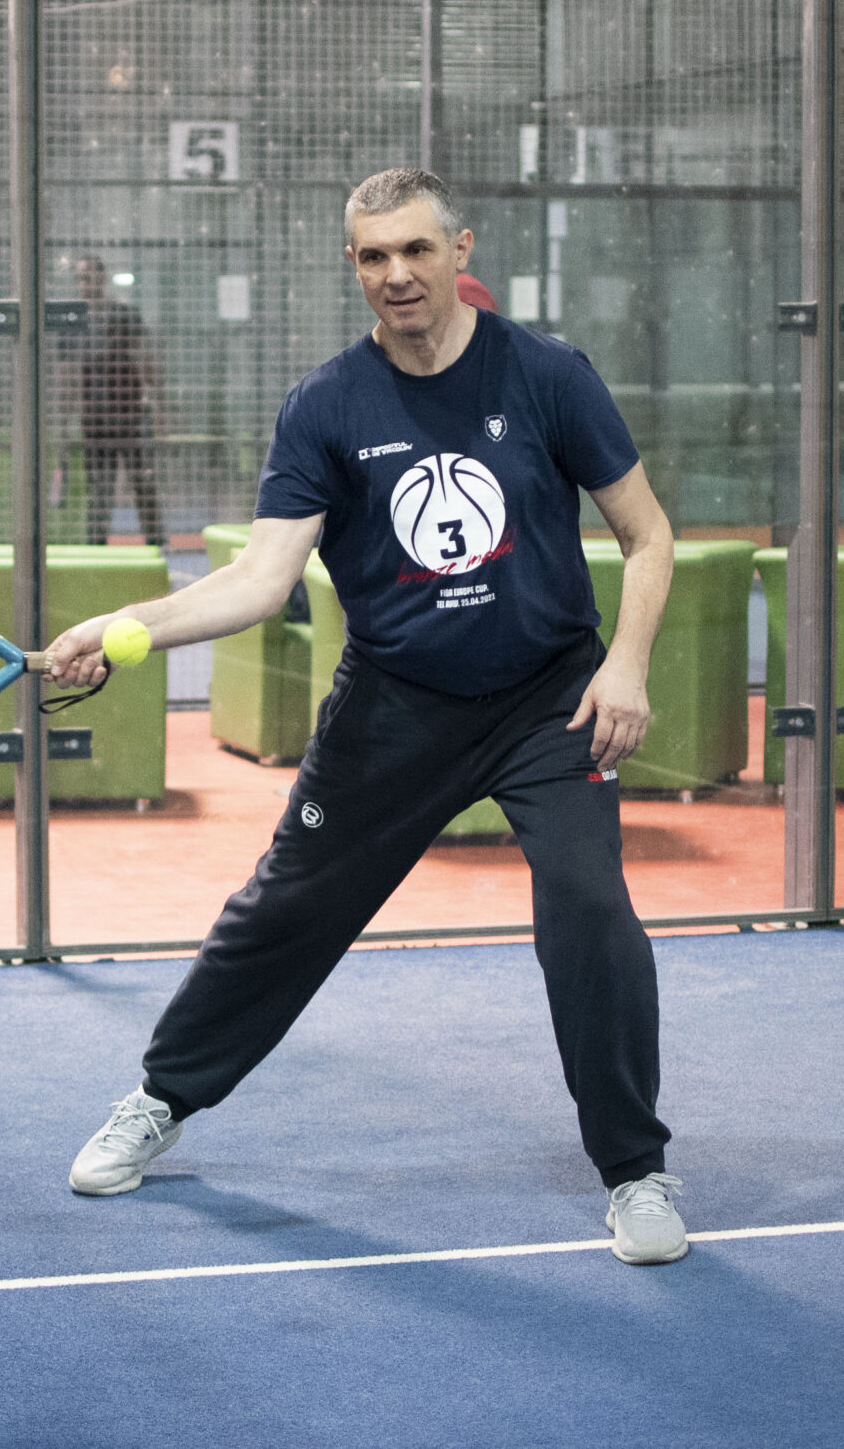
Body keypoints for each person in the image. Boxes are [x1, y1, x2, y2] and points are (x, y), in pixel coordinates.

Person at [43, 168, 689, 1265]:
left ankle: (635, 1170)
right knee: (286, 908)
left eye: (416, 250)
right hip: (395, 703)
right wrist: (126, 624)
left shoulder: (547, 374)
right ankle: (161, 1097)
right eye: (374, 256)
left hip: (547, 700)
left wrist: (624, 667)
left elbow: (648, 535)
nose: (397, 274)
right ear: (354, 266)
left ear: (458, 251)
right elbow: (260, 580)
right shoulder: (326, 405)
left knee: (591, 912)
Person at [74, 257, 164, 546]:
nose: (84, 284)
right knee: (99, 490)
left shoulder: (125, 315)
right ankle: (96, 548)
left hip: (130, 415)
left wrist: (161, 406)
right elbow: (67, 373)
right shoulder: (75, 321)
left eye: (89, 277)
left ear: (102, 277)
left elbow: (145, 359)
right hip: (95, 420)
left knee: (143, 483)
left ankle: (157, 544)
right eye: (80, 278)